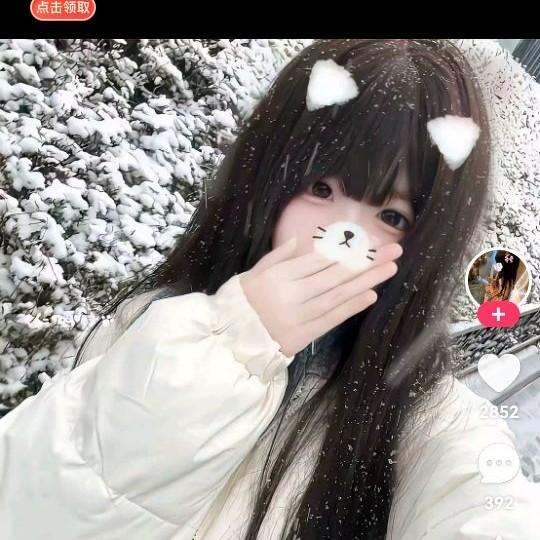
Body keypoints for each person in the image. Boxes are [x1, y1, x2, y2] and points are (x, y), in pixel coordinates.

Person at [1, 39, 539, 540]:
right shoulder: (156, 324)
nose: (344, 237)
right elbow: (34, 500)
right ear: (268, 178)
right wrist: (231, 346)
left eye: (392, 216)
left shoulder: (420, 419)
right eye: (322, 188)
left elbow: (482, 504)